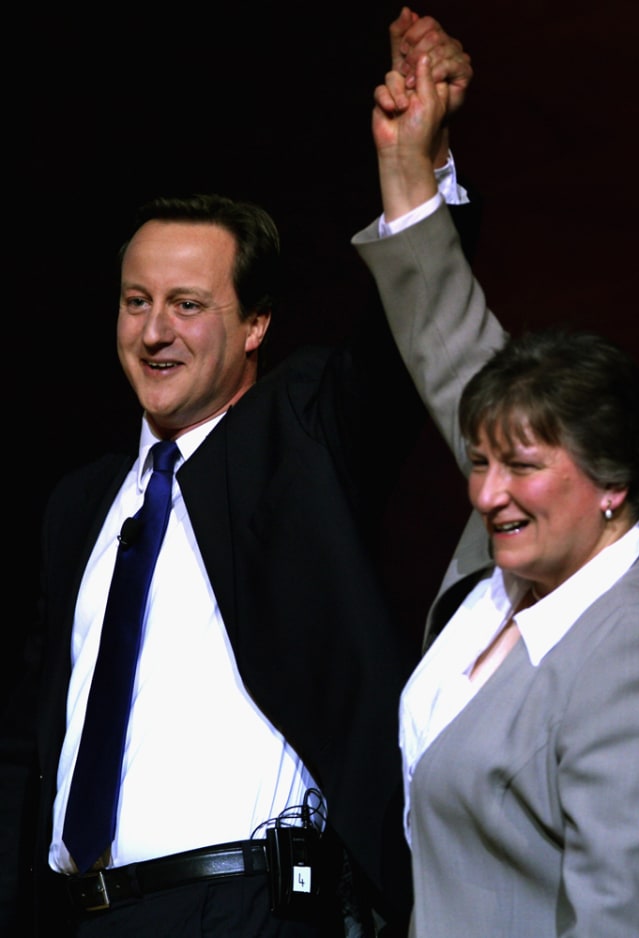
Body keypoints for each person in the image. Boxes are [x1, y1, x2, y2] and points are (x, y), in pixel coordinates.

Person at [0, 10, 476, 937]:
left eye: (187, 305)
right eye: (137, 302)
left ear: (255, 325)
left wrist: (419, 169)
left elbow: (398, 354)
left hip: (248, 905)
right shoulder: (82, 504)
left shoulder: (301, 439)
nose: (154, 330)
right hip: (80, 913)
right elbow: (30, 738)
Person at [351, 52, 639, 937]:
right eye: (478, 461)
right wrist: (411, 166)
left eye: (518, 467)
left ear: (614, 478)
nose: (487, 495)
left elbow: (624, 920)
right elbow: (452, 343)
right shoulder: (564, 524)